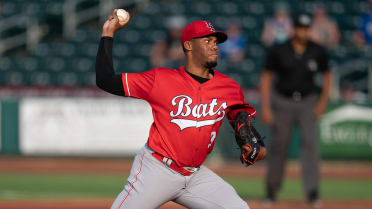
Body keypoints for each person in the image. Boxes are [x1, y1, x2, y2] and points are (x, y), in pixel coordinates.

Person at [96, 10, 266, 209]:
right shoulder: (161, 79)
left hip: (195, 176)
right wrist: (108, 32)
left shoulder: (229, 87)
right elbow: (105, 80)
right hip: (157, 170)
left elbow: (240, 118)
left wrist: (255, 141)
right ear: (188, 45)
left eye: (215, 42)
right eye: (207, 41)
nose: (214, 46)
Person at [259, 14, 332, 206]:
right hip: (283, 101)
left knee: (310, 145)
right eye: (300, 28)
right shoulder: (279, 50)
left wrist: (323, 101)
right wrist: (266, 106)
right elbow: (266, 77)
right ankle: (271, 190)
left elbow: (327, 75)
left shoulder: (317, 50)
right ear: (294, 29)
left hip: (308, 101)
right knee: (279, 146)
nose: (303, 31)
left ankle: (313, 192)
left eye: (306, 28)